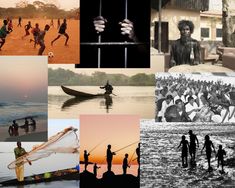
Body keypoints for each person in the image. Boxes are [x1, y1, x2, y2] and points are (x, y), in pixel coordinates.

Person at [76, 0, 150, 68]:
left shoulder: (138, 10)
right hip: (96, 62)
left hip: (129, 62)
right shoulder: (90, 9)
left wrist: (134, 37)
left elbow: (147, 55)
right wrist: (90, 32)